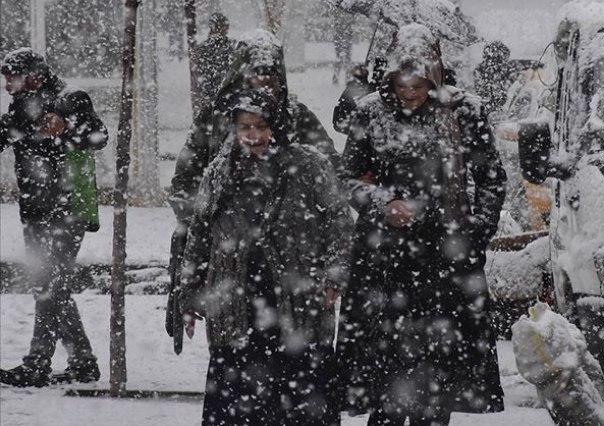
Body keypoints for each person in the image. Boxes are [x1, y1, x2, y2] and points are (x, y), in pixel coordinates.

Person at [337, 24, 507, 426]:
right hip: (383, 261)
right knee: (386, 383)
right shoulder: (371, 112)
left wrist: (475, 233)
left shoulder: (463, 110)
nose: (410, 93)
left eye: (418, 84)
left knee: (438, 383)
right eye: (402, 84)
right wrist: (383, 202)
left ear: (435, 76)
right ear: (390, 77)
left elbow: (492, 179)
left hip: (445, 262)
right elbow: (345, 178)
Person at [179, 89, 351, 425]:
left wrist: (334, 276)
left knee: (299, 400)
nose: (253, 135)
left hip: (297, 302)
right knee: (238, 403)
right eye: (245, 127)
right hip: (235, 305)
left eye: (261, 126)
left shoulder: (309, 166)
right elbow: (198, 237)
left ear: (277, 126)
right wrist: (189, 295)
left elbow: (340, 224)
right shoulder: (218, 172)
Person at [166, 29, 339, 346]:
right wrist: (214, 225)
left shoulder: (298, 117)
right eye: (255, 78)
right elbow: (184, 183)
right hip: (231, 264)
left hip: (291, 262)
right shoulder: (216, 118)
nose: (263, 87)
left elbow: (332, 179)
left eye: (270, 80)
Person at [0, 48, 107, 387]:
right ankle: (83, 363)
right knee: (50, 287)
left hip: (68, 211)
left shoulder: (70, 99)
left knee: (50, 287)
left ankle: (36, 364)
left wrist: (66, 128)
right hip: (34, 212)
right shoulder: (20, 109)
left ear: (34, 76)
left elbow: (99, 137)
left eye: (11, 78)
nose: (6, 86)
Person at [191, 12, 238, 116]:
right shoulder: (233, 46)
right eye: (224, 26)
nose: (226, 29)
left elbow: (198, 78)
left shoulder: (200, 49)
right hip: (226, 99)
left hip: (212, 99)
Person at [473, 41, 516, 116]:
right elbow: (483, 93)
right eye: (504, 58)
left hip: (492, 108)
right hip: (488, 110)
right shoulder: (484, 70)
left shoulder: (500, 70)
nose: (505, 61)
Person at [332, 11, 356, 85]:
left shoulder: (342, 14)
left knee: (344, 59)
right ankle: (340, 77)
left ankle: (343, 77)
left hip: (344, 39)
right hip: (341, 39)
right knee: (342, 59)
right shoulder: (343, 14)